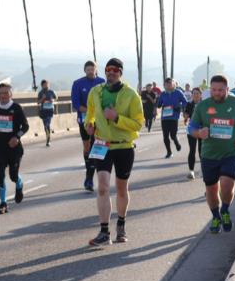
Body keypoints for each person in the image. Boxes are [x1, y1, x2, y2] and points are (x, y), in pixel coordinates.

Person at [188, 75, 235, 233]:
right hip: (209, 155)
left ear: (227, 89)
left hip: (231, 152)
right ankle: (215, 216)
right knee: (212, 190)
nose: (217, 93)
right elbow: (191, 128)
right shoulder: (203, 106)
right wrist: (199, 133)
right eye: (214, 90)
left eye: (221, 90)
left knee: (227, 186)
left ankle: (225, 210)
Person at [85, 58, 143, 246]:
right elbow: (90, 113)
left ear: (121, 73)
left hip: (124, 146)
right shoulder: (96, 91)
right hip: (102, 144)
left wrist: (117, 118)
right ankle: (104, 232)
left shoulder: (131, 95)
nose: (111, 72)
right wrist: (90, 124)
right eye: (108, 69)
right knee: (102, 186)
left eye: (115, 70)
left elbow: (138, 124)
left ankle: (121, 226)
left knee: (120, 188)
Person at [0, 83, 30, 214]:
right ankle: (3, 203)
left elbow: (26, 127)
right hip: (0, 146)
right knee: (0, 174)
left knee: (13, 175)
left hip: (14, 147)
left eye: (5, 93)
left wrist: (17, 137)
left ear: (11, 94)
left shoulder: (16, 108)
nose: (2, 96)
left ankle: (19, 184)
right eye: (0, 93)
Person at [71, 61, 105, 191]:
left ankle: (92, 177)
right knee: (87, 147)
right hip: (84, 120)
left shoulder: (103, 82)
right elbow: (76, 103)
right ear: (84, 70)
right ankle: (89, 173)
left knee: (98, 146)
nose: (90, 71)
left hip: (101, 121)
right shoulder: (78, 83)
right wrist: (91, 112)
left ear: (96, 70)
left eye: (93, 69)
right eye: (88, 69)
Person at [155, 78, 187, 158]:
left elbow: (185, 102)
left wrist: (179, 107)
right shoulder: (163, 94)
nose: (168, 85)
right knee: (165, 136)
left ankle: (176, 142)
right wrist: (158, 103)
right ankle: (169, 152)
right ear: (164, 85)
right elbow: (159, 104)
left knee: (173, 135)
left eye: (170, 83)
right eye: (166, 84)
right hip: (165, 117)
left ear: (173, 84)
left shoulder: (178, 92)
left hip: (174, 117)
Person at [183, 88, 203, 179]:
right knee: (192, 150)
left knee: (202, 151)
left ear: (201, 94)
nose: (196, 95)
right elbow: (186, 115)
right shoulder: (189, 104)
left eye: (197, 93)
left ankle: (203, 169)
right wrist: (186, 116)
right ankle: (191, 171)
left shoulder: (205, 104)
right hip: (192, 129)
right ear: (192, 95)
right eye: (194, 93)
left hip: (203, 129)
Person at [37, 79, 57, 147]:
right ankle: (48, 137)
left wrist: (52, 100)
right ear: (42, 85)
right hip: (43, 110)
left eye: (47, 84)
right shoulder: (40, 93)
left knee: (48, 123)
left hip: (50, 110)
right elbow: (38, 102)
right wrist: (42, 99)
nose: (46, 86)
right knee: (45, 126)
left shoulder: (51, 91)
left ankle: (48, 140)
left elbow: (56, 98)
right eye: (45, 84)